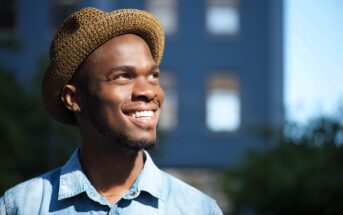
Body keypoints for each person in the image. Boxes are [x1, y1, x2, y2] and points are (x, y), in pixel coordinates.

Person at [0, 7, 222, 214]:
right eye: (123, 76)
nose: (148, 91)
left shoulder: (198, 208)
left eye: (153, 76)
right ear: (73, 98)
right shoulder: (21, 206)